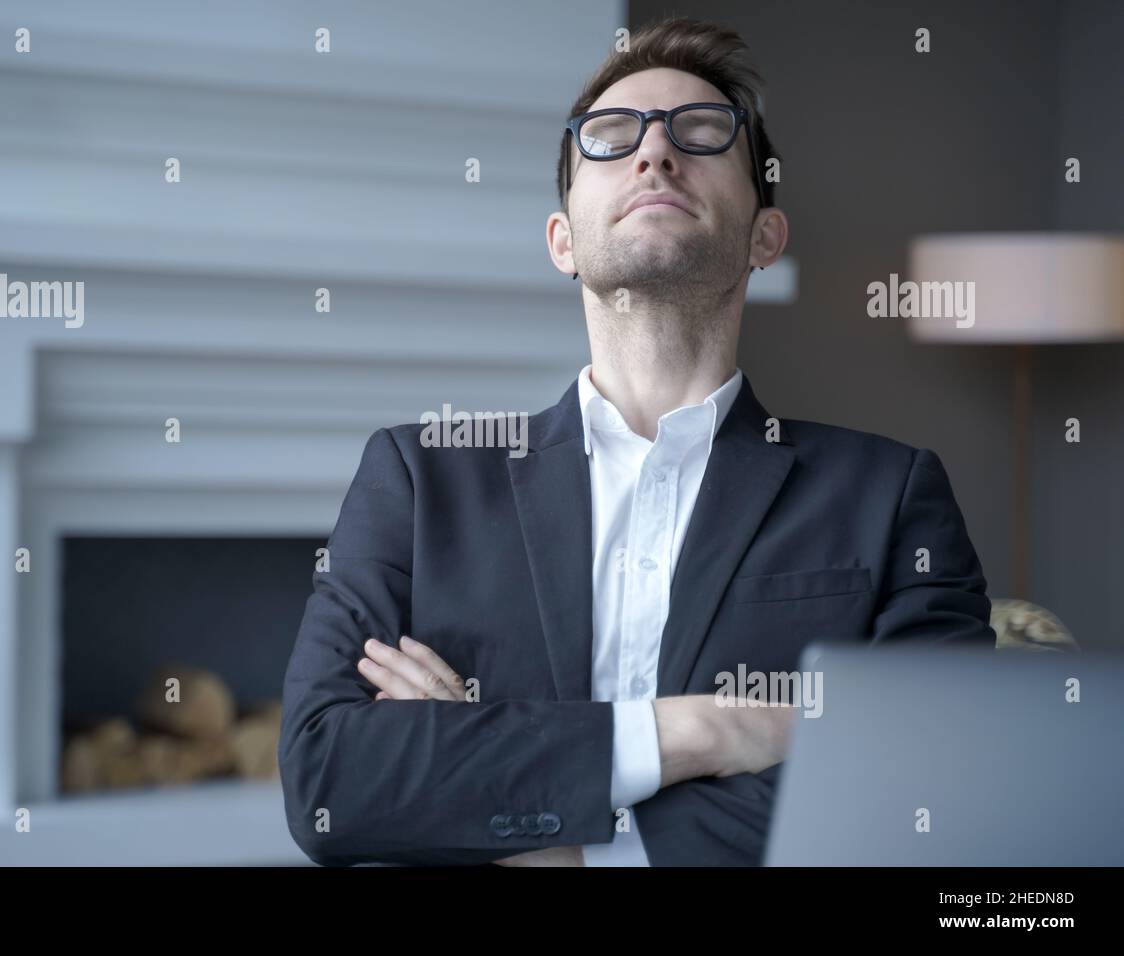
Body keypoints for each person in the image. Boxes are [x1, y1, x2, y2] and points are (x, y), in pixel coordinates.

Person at [277, 17, 995, 867]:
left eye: (700, 132)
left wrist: (534, 824)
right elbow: (328, 780)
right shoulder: (416, 478)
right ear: (564, 242)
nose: (655, 154)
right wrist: (712, 729)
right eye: (613, 140)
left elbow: (935, 790)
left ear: (766, 234)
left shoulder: (890, 494)